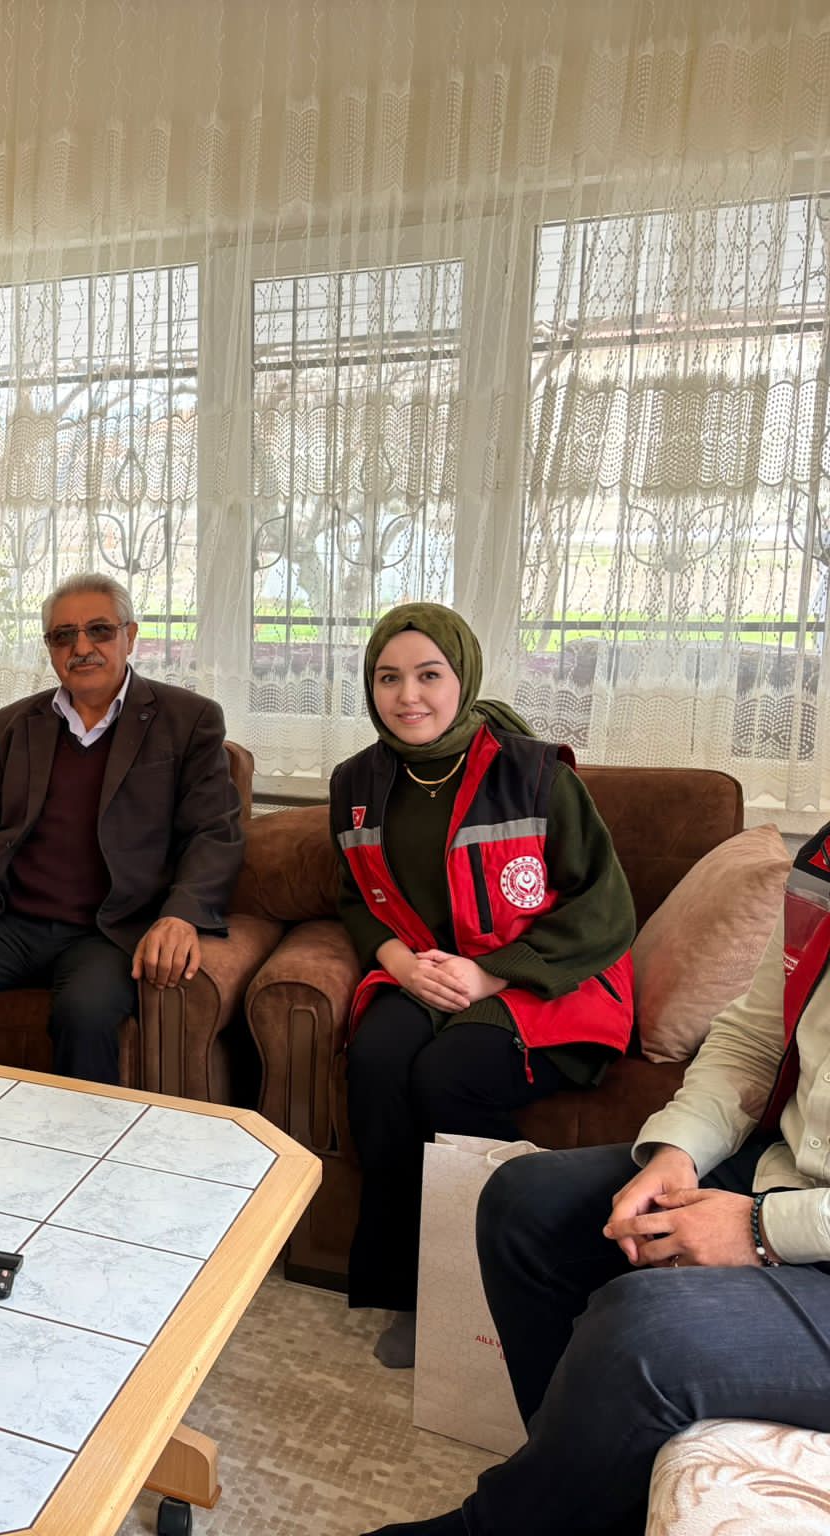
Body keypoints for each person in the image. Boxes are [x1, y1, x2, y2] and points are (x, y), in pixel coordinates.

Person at [366, 826, 830, 1536]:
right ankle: (571, 1488)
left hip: (802, 1220)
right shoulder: (823, 862)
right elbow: (753, 1037)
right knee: (525, 1203)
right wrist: (678, 1150)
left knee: (642, 1330)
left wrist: (763, 1229)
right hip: (789, 1170)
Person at [334, 603, 634, 1368]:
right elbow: (353, 899)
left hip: (542, 978)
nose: (408, 696)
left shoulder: (535, 773)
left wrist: (490, 973)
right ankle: (410, 1291)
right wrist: (401, 963)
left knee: (449, 1076)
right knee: (375, 1062)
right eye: (388, 678)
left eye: (428, 675)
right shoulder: (355, 781)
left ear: (462, 677)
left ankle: (501, 1286)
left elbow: (603, 908)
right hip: (427, 974)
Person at [0, 571, 245, 1084]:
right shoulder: (13, 725)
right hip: (11, 922)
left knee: (84, 1013)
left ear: (130, 636)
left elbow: (214, 832)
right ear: (50, 647)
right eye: (63, 635)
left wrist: (181, 915)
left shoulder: (189, 720)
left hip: (110, 930)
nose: (81, 647)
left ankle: (78, 1137)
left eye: (99, 630)